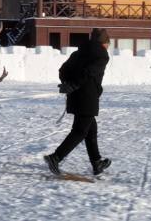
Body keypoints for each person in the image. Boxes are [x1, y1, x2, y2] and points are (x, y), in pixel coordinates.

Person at [44, 28, 111, 176]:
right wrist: (73, 85)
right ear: (104, 43)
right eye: (108, 43)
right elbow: (89, 72)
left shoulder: (78, 53)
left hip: (75, 96)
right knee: (80, 131)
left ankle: (96, 162)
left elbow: (62, 70)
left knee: (90, 129)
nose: (108, 46)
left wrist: (68, 84)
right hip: (87, 99)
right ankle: (55, 158)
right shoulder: (102, 55)